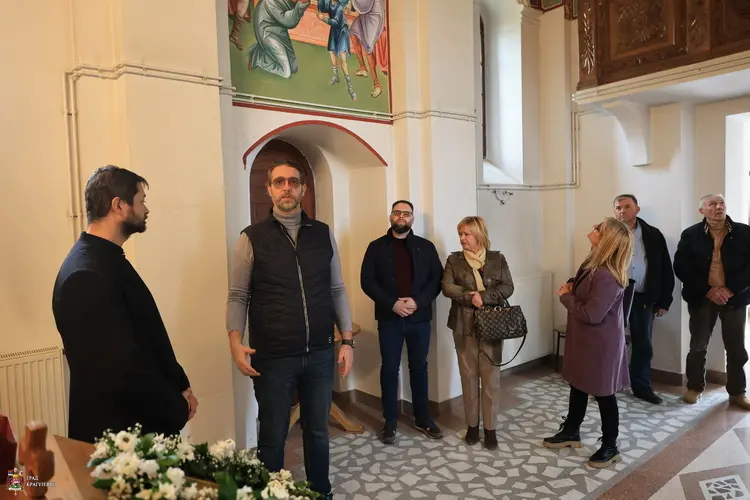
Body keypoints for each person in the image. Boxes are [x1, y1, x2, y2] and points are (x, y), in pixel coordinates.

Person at [226, 160, 354, 499]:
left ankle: (320, 492)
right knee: (272, 434)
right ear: (269, 189)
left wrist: (347, 340)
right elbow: (238, 295)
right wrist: (235, 342)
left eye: (293, 182)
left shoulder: (323, 234)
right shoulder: (251, 238)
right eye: (279, 182)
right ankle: (271, 493)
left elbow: (337, 288)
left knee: (318, 431)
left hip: (320, 353)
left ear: (303, 189)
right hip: (273, 357)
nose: (287, 187)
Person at [52, 165, 196, 443]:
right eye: (141, 200)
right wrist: (176, 406)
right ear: (118, 206)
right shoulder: (85, 274)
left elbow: (146, 334)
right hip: (121, 438)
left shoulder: (104, 258)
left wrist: (181, 384)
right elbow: (121, 372)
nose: (146, 209)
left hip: (137, 427)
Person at [543, 217, 633, 469]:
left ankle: (610, 446)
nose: (593, 227)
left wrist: (566, 297)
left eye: (599, 228)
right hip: (585, 339)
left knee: (604, 394)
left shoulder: (607, 275)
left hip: (600, 345)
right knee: (578, 385)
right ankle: (571, 431)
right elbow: (587, 293)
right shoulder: (594, 263)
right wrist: (574, 287)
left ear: (606, 240)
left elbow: (592, 314)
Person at [360, 200, 444, 445]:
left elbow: (436, 279)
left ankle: (422, 418)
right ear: (390, 216)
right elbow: (367, 281)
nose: (401, 217)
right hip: (390, 318)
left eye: (406, 213)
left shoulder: (426, 247)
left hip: (419, 318)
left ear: (412, 218)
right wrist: (392, 304)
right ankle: (390, 420)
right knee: (389, 368)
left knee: (419, 367)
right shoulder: (376, 247)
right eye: (397, 212)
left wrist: (417, 302)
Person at [441, 216, 514, 450]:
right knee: (468, 377)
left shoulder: (497, 259)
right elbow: (447, 287)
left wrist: (484, 297)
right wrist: (471, 295)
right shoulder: (454, 260)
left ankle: (490, 430)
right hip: (463, 326)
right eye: (460, 234)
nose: (462, 238)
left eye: (467, 234)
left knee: (491, 379)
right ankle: (472, 427)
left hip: (492, 325)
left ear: (479, 235)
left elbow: (508, 287)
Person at [674, 194, 750, 409]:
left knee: (736, 348)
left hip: (734, 297)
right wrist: (708, 290)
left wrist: (730, 289)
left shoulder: (744, 232)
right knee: (698, 345)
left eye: (721, 203)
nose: (718, 207)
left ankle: (737, 392)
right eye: (712, 204)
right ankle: (695, 387)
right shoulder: (690, 234)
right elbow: (681, 267)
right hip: (702, 297)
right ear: (702, 211)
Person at [612, 194, 675, 404]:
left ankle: (641, 387)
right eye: (618, 208)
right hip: (613, 297)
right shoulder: (608, 234)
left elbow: (665, 268)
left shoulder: (652, 234)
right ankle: (607, 385)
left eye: (627, 206)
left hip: (643, 297)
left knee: (643, 344)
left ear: (637, 209)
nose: (622, 211)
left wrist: (664, 300)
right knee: (611, 342)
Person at [248, 0, 310, 78]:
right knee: (286, 73)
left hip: (279, 32)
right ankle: (259, 59)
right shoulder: (270, 2)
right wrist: (301, 6)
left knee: (294, 68)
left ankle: (261, 51)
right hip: (267, 33)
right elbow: (289, 22)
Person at [317, 0, 357, 100]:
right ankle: (336, 76)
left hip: (342, 31)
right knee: (332, 52)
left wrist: (323, 19)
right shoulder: (329, 3)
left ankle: (350, 89)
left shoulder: (339, 8)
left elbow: (335, 22)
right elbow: (322, 8)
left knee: (343, 59)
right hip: (334, 30)